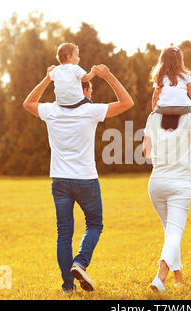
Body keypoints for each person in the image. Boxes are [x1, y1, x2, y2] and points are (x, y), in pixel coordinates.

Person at [23, 64, 134, 295]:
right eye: (91, 91)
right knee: (95, 224)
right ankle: (80, 263)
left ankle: (67, 287)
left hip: (60, 181)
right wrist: (109, 76)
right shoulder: (90, 110)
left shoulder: (51, 110)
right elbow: (127, 103)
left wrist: (47, 78)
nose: (91, 96)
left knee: (63, 233)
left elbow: (28, 103)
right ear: (83, 90)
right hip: (85, 179)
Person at [142, 103, 191, 293]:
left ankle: (178, 277)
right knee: (174, 233)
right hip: (179, 185)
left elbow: (146, 152)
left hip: (156, 184)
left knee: (170, 232)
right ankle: (160, 276)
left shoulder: (153, 118)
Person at [150, 47, 191, 116]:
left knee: (153, 117)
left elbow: (155, 97)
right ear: (180, 61)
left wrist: (154, 110)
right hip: (184, 108)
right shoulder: (185, 76)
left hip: (164, 108)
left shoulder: (160, 76)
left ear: (162, 61)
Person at [49, 43, 96, 108]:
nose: (78, 58)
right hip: (75, 101)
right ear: (69, 57)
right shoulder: (75, 67)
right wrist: (93, 72)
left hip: (61, 103)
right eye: (76, 56)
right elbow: (85, 78)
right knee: (89, 103)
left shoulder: (56, 70)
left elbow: (50, 77)